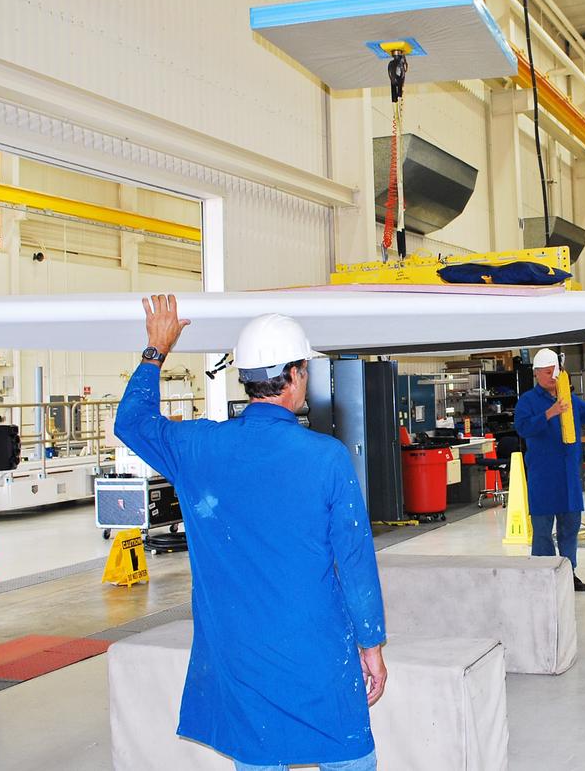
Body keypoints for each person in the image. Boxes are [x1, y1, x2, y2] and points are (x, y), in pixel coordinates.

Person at [114, 295, 387, 770]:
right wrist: (372, 646)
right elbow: (356, 563)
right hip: (315, 652)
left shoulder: (197, 447)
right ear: (296, 375)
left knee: (258, 756)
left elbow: (132, 422)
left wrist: (156, 350)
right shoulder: (326, 458)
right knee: (349, 758)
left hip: (238, 657)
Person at [514, 347, 585, 592]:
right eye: (547, 372)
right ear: (537, 374)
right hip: (543, 476)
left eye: (555, 371)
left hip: (569, 476)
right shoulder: (528, 401)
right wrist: (550, 414)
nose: (552, 376)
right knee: (542, 530)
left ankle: (568, 572)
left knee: (569, 528)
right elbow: (523, 428)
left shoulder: (569, 399)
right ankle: (543, 574)